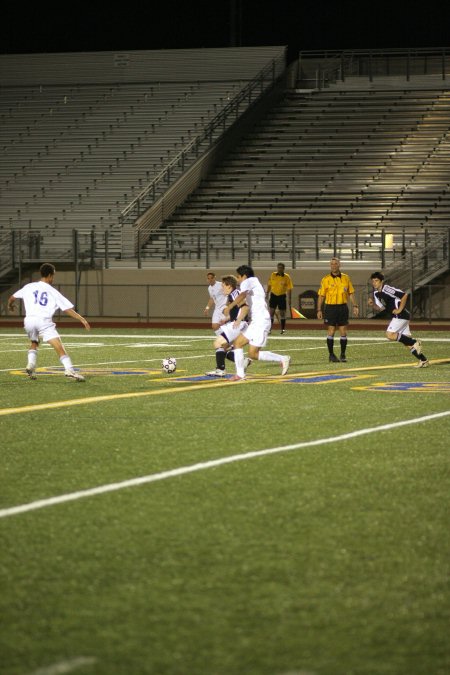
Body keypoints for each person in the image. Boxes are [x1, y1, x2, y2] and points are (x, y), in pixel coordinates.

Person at [8, 262, 90, 381]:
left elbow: (12, 298)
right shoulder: (53, 291)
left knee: (34, 343)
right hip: (43, 322)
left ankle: (31, 365)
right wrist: (82, 319)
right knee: (59, 346)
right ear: (50, 275)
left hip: (29, 320)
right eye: (53, 276)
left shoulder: (29, 286)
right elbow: (67, 309)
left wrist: (10, 306)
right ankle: (69, 370)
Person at [223, 265, 291, 381]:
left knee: (251, 352)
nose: (238, 280)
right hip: (257, 321)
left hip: (261, 321)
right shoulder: (254, 281)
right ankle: (240, 374)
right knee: (241, 346)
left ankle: (282, 358)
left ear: (244, 276)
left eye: (238, 277)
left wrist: (229, 307)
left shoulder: (248, 281)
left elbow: (242, 295)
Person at [368, 272, 429, 367]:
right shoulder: (376, 293)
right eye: (373, 281)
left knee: (389, 335)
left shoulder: (387, 288)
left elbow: (404, 295)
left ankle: (415, 341)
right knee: (406, 342)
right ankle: (423, 360)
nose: (374, 283)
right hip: (400, 316)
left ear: (381, 281)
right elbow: (381, 308)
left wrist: (399, 309)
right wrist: (373, 305)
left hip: (400, 315)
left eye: (376, 281)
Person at [205, 275, 251, 377]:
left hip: (238, 325)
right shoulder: (233, 295)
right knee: (224, 348)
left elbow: (245, 308)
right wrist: (225, 319)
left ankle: (220, 370)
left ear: (229, 286)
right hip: (240, 324)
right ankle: (242, 362)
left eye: (223, 285)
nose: (222, 288)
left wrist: (238, 320)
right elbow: (237, 310)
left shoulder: (235, 294)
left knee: (218, 343)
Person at [316, 257, 359, 363]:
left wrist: (355, 306)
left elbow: (351, 293)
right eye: (332, 264)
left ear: (339, 265)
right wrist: (319, 310)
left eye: (335, 264)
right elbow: (321, 296)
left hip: (342, 307)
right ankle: (331, 355)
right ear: (330, 266)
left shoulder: (346, 278)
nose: (334, 266)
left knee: (343, 331)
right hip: (330, 308)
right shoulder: (325, 279)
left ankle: (343, 355)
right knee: (331, 331)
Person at [266, 262, 293, 334]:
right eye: (278, 268)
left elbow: (289, 288)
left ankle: (283, 329)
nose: (279, 269)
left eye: (281, 268)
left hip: (282, 296)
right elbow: (269, 285)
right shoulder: (273, 275)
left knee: (282, 313)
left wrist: (289, 299)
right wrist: (267, 293)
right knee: (271, 312)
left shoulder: (287, 277)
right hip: (273, 295)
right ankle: (269, 329)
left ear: (283, 269)